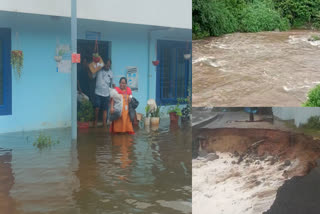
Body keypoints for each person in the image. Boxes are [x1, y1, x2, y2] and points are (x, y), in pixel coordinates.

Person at [93, 59, 113, 127]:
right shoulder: (99, 70)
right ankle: (95, 121)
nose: (108, 65)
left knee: (105, 109)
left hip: (106, 94)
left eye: (109, 64)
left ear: (110, 65)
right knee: (97, 108)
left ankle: (104, 124)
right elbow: (92, 76)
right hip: (98, 93)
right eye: (106, 64)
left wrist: (113, 92)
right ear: (104, 64)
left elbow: (111, 84)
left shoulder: (111, 73)